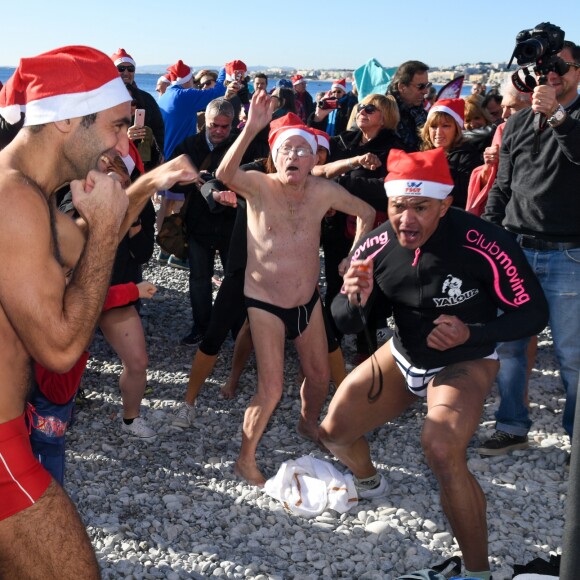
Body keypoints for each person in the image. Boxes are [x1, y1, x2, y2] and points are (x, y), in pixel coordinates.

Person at [0, 45, 197, 577]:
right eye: (114, 126)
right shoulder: (13, 199)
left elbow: (81, 241)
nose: (121, 141)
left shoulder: (26, 191)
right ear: (66, 118)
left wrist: (146, 185)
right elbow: (61, 350)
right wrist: (110, 228)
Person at [320, 147, 548, 580]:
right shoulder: (376, 244)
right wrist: (353, 296)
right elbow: (347, 324)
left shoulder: (483, 241)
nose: (406, 220)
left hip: (465, 360)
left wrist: (472, 333)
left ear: (445, 205)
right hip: (405, 353)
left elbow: (533, 314)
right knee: (332, 433)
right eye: (398, 206)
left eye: (420, 208)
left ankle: (477, 573)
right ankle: (369, 481)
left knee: (441, 449)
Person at [215, 92, 376, 486]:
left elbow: (368, 213)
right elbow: (224, 175)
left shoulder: (323, 192)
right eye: (286, 148)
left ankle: (307, 426)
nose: (294, 156)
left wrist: (354, 257)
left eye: (302, 150)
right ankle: (245, 458)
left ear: (315, 159)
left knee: (319, 377)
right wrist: (252, 126)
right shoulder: (258, 186)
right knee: (271, 389)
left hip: (307, 300)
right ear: (275, 156)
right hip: (265, 302)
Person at [481, 39, 580, 454]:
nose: (552, 73)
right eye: (544, 68)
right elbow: (501, 188)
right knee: (510, 347)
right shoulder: (519, 123)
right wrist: (486, 243)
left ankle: (577, 437)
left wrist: (557, 114)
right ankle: (511, 426)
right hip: (516, 249)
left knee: (571, 354)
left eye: (562, 65)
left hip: (569, 254)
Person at [169, 98, 268, 346]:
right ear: (205, 122)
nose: (219, 131)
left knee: (236, 279)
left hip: (233, 223)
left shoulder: (242, 144)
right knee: (199, 278)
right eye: (215, 125)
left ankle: (237, 331)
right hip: (198, 222)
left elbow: (261, 172)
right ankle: (201, 327)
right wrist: (190, 180)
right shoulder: (189, 145)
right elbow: (168, 179)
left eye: (225, 126)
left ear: (233, 124)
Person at [420, 98, 481, 209]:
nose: (438, 132)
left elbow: (462, 195)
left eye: (446, 126)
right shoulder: (422, 154)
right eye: (433, 126)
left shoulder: (468, 156)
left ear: (457, 129)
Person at [111, 48, 165, 155]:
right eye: (121, 68)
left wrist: (157, 150)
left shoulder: (147, 98)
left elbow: (159, 130)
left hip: (143, 163)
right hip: (115, 163)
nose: (126, 72)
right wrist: (125, 138)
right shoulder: (104, 101)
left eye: (130, 68)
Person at [386, 60, 430, 151]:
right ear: (402, 87)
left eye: (427, 85)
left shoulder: (421, 114)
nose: (425, 91)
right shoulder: (381, 111)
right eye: (420, 86)